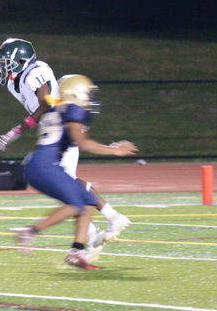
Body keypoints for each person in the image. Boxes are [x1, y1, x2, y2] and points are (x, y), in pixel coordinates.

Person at [0, 37, 130, 251]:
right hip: (53, 127)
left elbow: (45, 102)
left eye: (6, 63)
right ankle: (97, 228)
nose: (2, 68)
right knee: (67, 180)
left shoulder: (34, 73)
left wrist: (18, 129)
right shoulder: (15, 81)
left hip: (63, 126)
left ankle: (107, 221)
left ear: (21, 61)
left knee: (67, 180)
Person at [15, 74, 138, 269]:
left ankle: (76, 251)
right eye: (88, 94)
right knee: (76, 205)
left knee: (87, 200)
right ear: (75, 93)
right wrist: (115, 150)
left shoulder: (56, 108)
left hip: (40, 164)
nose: (90, 98)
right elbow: (83, 143)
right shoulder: (72, 110)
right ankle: (30, 231)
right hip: (45, 166)